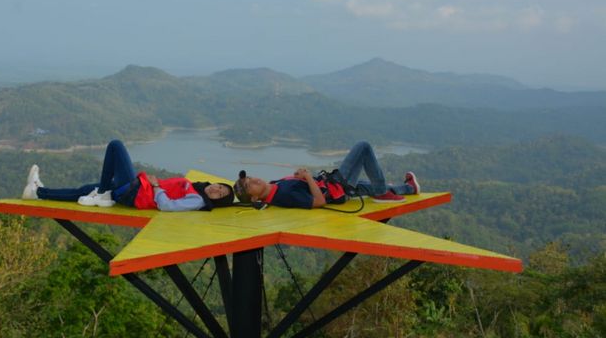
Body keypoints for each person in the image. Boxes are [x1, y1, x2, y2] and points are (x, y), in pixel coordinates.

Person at [22, 139, 234, 212]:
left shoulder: (196, 200)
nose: (216, 189)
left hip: (134, 192)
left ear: (214, 200)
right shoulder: (197, 187)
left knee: (116, 146)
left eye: (219, 194)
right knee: (84, 190)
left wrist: (156, 185)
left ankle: (104, 193)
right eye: (219, 186)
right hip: (135, 190)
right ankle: (37, 192)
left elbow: (168, 206)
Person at [233, 141, 420, 209]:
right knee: (363, 147)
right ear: (255, 197)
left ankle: (409, 188)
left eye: (250, 178)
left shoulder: (274, 186)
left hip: (332, 185)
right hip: (337, 188)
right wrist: (306, 177)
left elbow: (303, 188)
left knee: (365, 186)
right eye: (251, 185)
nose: (255, 179)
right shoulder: (283, 196)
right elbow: (319, 202)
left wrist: (300, 176)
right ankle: (380, 192)